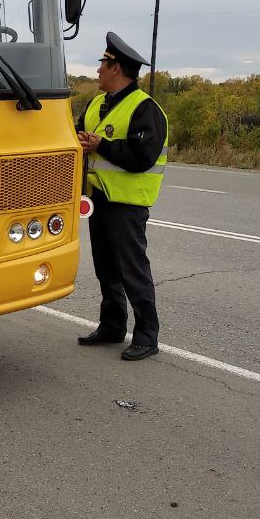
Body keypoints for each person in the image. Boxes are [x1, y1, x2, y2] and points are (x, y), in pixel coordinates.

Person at [76, 32, 169, 360]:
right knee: (106, 268)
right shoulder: (97, 104)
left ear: (117, 68)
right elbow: (79, 138)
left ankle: (147, 336)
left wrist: (101, 145)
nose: (98, 69)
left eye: (103, 63)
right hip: (97, 199)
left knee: (132, 271)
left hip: (127, 204)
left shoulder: (146, 109)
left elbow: (141, 158)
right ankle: (112, 326)